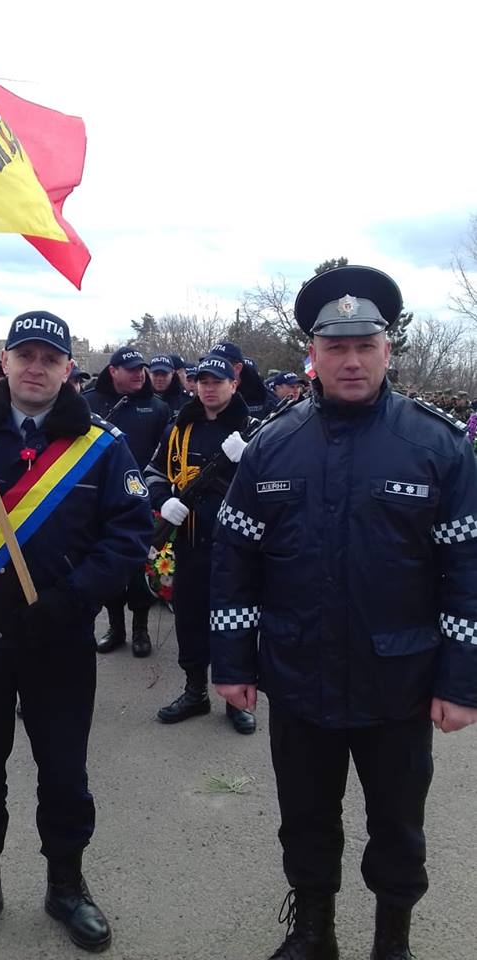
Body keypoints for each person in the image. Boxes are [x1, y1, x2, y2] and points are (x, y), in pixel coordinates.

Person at [209, 265, 477, 960]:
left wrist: (461, 681)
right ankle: (312, 932)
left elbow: (467, 573)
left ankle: (393, 941)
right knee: (304, 818)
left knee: (398, 825)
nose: (351, 360)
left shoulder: (437, 445)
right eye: (336, 347)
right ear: (313, 354)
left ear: (388, 350)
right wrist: (232, 663)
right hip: (298, 676)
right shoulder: (272, 443)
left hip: (399, 681)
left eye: (365, 345)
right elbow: (234, 560)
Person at [0, 310, 153, 956]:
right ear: (3, 362)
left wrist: (74, 599)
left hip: (58, 637)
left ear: (68, 369)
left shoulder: (102, 445)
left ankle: (66, 885)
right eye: (24, 355)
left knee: (63, 772)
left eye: (49, 358)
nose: (36, 368)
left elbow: (129, 534)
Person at [145, 354, 256, 734]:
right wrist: (164, 501)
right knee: (190, 619)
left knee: (235, 621)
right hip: (190, 542)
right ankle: (195, 692)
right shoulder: (180, 428)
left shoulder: (252, 429)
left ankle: (235, 699)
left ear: (234, 384)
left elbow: (276, 482)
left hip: (237, 548)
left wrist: (251, 458)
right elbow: (154, 472)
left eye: (217, 381)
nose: (209, 388)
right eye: (203, 381)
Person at [84, 347, 169, 656]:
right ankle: (116, 627)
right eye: (131, 369)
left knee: (139, 568)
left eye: (141, 369)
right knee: (106, 565)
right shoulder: (89, 403)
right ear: (113, 371)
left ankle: (140, 629)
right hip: (100, 500)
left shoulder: (157, 407)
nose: (139, 374)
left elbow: (164, 458)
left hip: (141, 501)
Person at [209, 341, 278, 419]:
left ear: (238, 368)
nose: (214, 370)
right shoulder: (206, 393)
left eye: (220, 365)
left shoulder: (264, 396)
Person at [148, 354, 191, 419]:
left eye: (164, 374)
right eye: (156, 374)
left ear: (172, 373)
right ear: (149, 374)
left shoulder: (186, 402)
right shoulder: (140, 400)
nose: (160, 378)